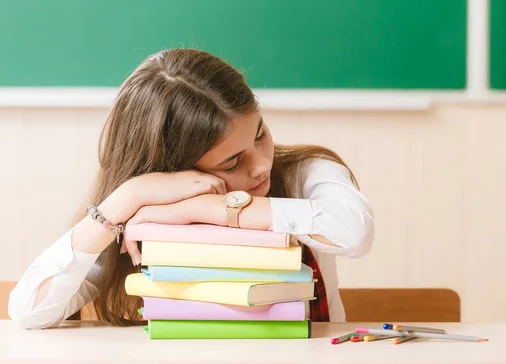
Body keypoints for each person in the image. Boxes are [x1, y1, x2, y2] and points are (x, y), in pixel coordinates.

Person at [8, 49, 375, 330]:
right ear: (173, 168)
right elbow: (29, 312)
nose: (262, 164)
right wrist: (127, 198)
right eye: (232, 162)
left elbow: (355, 232)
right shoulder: (138, 210)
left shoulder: (305, 172)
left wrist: (207, 210)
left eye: (261, 134)